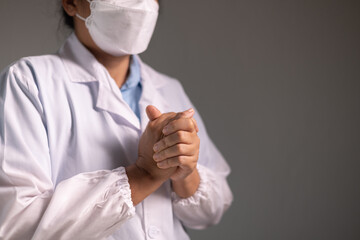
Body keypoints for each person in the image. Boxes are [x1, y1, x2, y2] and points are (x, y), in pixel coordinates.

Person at [0, 0, 233, 239]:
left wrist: (186, 173)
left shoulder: (170, 89)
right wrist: (145, 174)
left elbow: (212, 210)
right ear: (71, 3)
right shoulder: (29, 82)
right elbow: (18, 225)